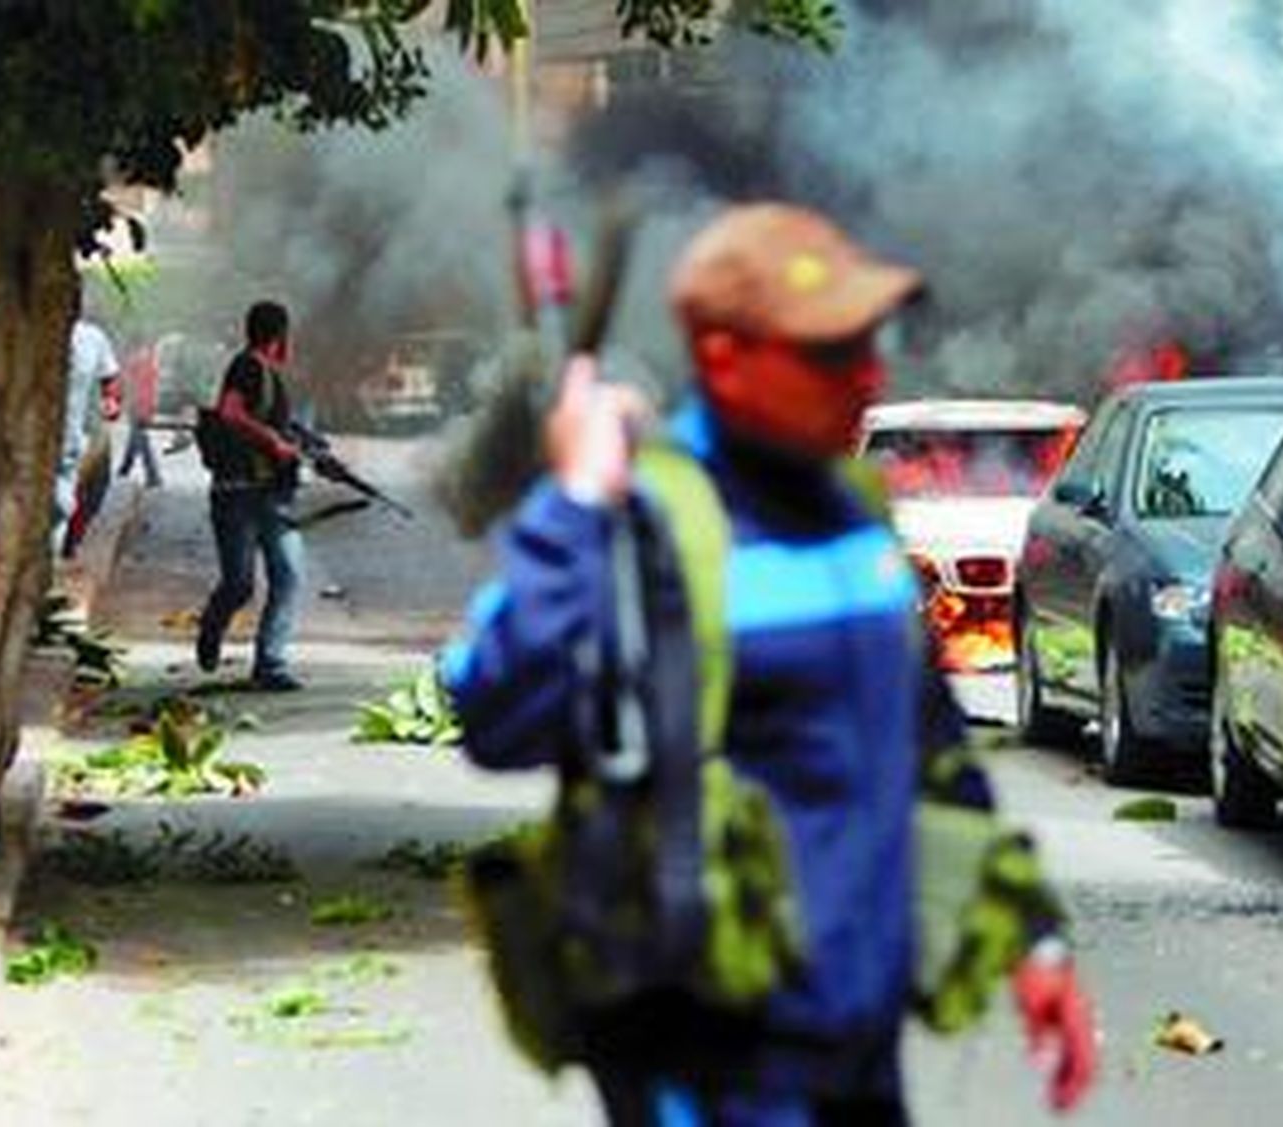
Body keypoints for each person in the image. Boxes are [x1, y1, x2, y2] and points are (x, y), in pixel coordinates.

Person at [438, 203, 1096, 1124]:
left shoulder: (857, 517)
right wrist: (575, 499)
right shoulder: (643, 519)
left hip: (859, 1055)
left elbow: (933, 751)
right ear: (723, 355)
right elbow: (495, 712)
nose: (864, 375)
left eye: (868, 343)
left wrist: (1034, 940)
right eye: (828, 354)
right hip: (710, 1067)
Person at [195, 300, 304, 691]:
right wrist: (274, 441)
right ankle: (211, 627)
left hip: (271, 495)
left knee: (288, 575)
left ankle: (271, 664)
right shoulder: (248, 367)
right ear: (280, 337)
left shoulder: (269, 375)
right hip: (238, 494)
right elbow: (230, 411)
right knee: (239, 583)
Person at [52, 300, 122, 557]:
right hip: (28, 444)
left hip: (73, 443)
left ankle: (60, 556)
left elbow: (110, 378)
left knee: (69, 504)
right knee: (59, 505)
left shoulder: (92, 338)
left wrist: (111, 401)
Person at [116, 337, 163, 487]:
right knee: (136, 437)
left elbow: (131, 385)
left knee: (141, 440)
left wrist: (129, 402)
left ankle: (153, 475)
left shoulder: (137, 363)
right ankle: (125, 468)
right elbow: (151, 387)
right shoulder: (149, 363)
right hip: (143, 405)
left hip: (139, 406)